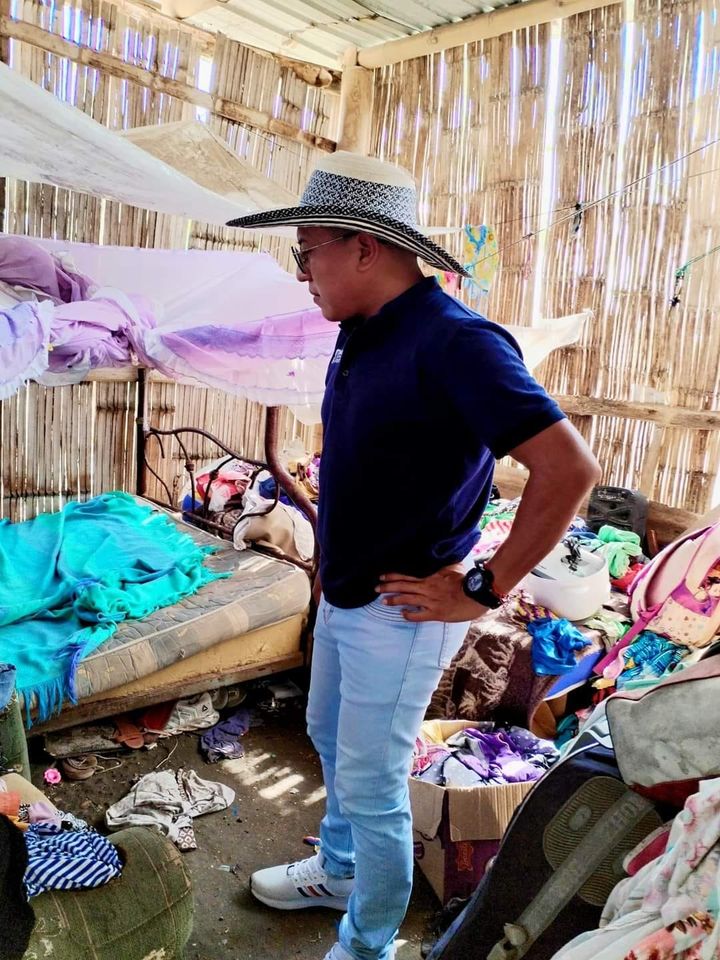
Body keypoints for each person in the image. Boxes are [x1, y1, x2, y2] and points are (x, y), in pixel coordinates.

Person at [227, 152, 600, 960]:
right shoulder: (362, 333)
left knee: (371, 783)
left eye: (307, 250)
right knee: (328, 735)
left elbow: (569, 469)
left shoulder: (457, 342)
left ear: (364, 247)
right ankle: (339, 871)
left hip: (404, 610)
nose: (302, 272)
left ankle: (366, 944)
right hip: (349, 592)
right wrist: (329, 568)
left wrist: (484, 588)